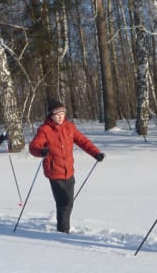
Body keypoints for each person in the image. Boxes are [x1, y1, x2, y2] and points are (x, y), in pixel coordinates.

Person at [29, 100, 105, 234]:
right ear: (51, 115)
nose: (60, 116)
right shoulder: (45, 130)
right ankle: (63, 231)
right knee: (64, 203)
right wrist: (40, 151)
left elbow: (83, 141)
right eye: (57, 114)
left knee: (68, 203)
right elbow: (34, 146)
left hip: (69, 171)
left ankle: (63, 228)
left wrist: (96, 153)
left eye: (62, 113)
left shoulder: (69, 127)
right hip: (54, 173)